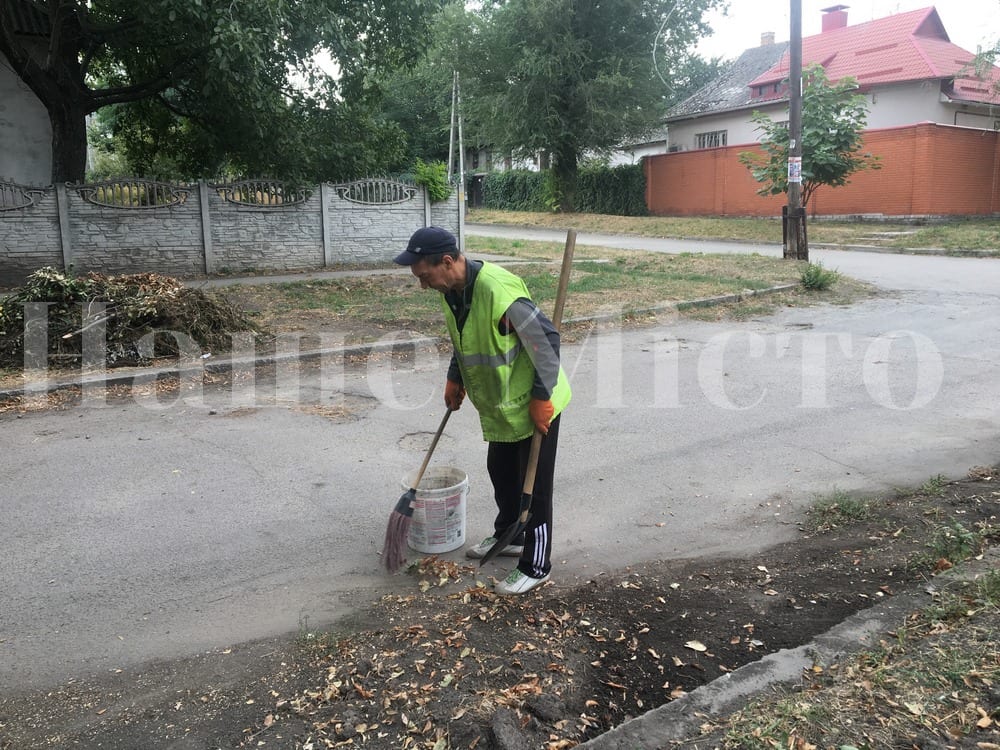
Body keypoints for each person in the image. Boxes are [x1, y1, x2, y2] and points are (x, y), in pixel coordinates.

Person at [394, 226, 571, 595]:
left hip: (536, 403)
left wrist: (542, 397)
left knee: (533, 488)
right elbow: (466, 340)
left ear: (447, 261)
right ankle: (512, 535)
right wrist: (454, 376)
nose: (423, 286)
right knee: (501, 471)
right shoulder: (453, 292)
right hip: (502, 406)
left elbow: (547, 340)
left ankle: (537, 566)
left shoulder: (498, 291)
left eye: (424, 276)